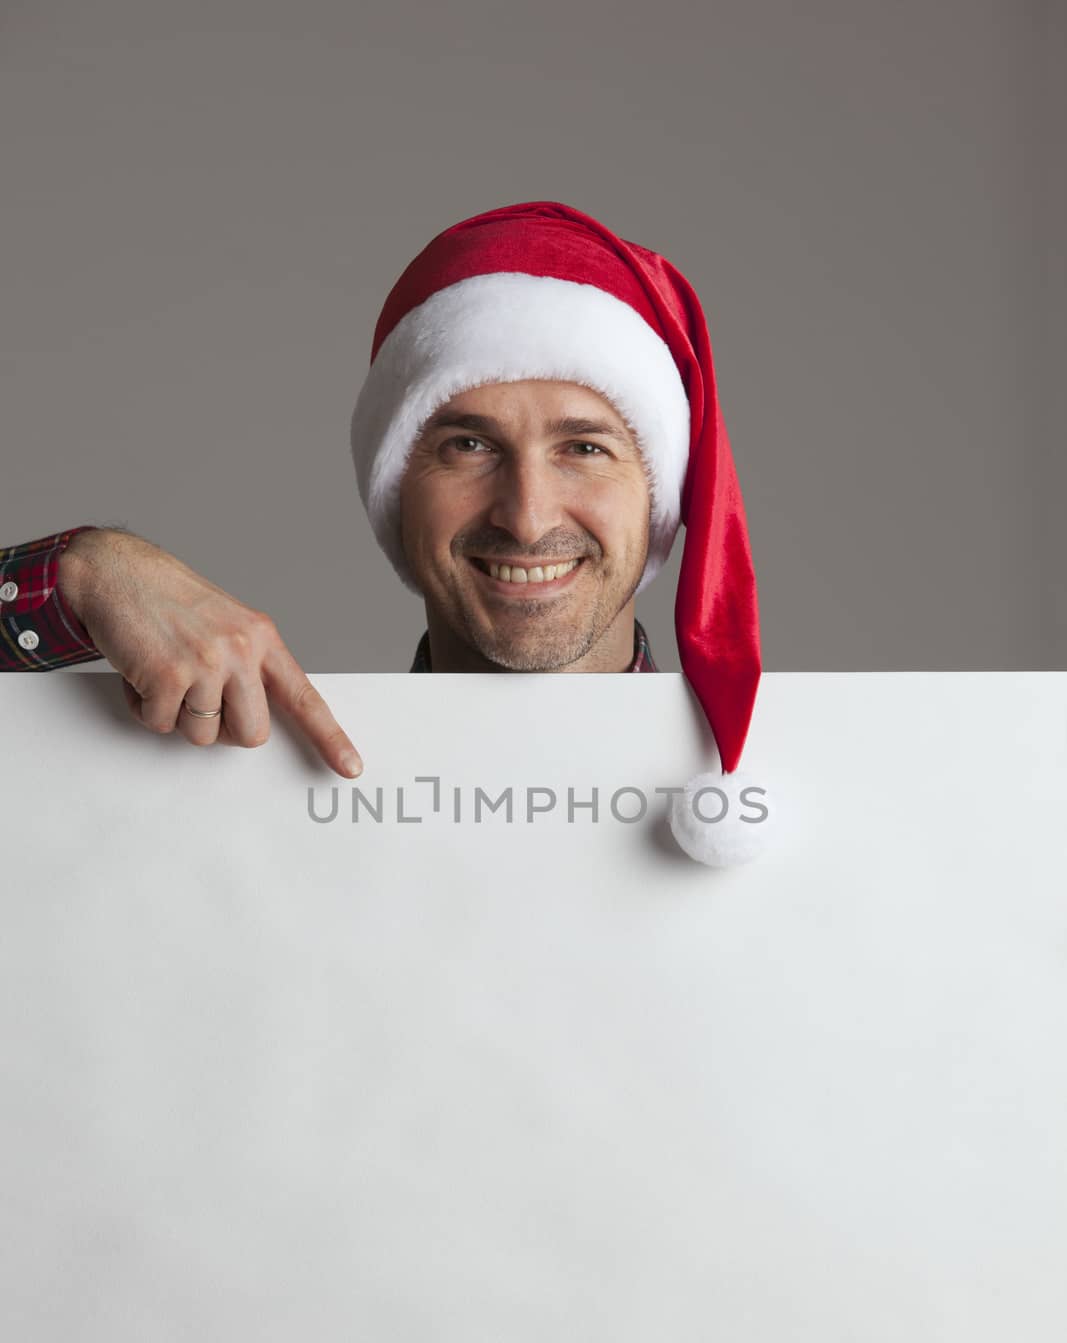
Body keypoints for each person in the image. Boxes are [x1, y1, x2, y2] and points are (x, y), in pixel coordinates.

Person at [1, 201, 763, 863]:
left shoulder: (829, 783)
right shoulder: (246, 789)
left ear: (662, 498)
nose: (526, 516)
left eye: (585, 449)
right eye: (467, 445)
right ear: (393, 491)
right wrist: (86, 573)